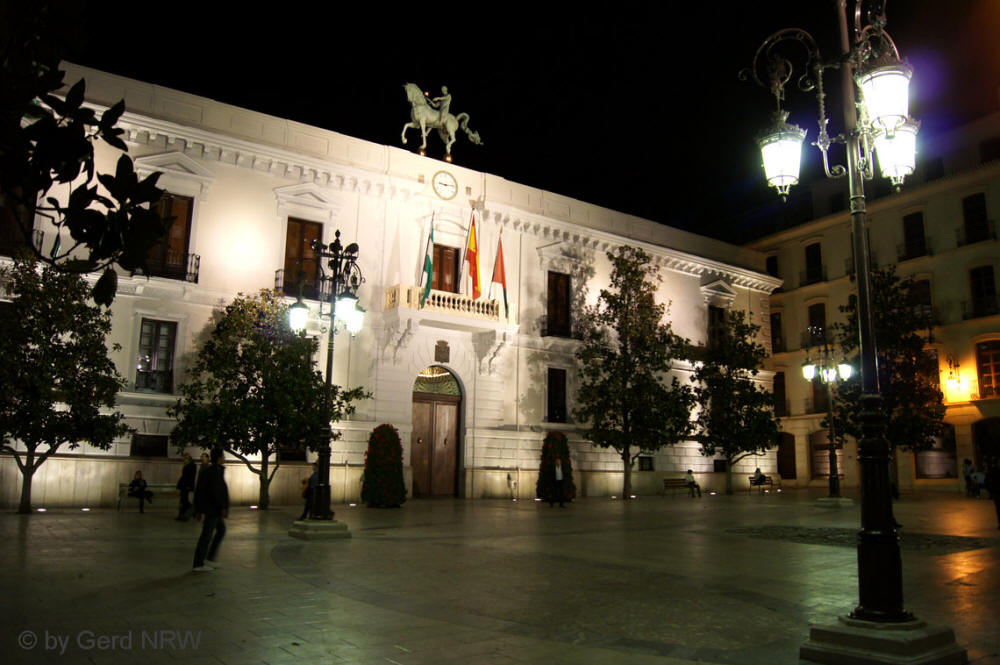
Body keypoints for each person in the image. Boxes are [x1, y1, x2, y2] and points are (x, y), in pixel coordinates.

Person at [192, 448, 229, 572]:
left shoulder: (212, 470)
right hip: (213, 509)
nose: (224, 458)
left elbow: (200, 490)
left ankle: (209, 558)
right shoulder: (214, 472)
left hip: (212, 509)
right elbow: (216, 491)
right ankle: (198, 563)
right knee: (206, 535)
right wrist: (222, 507)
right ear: (219, 458)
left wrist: (198, 509)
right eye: (223, 456)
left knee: (220, 530)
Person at [175, 454, 197, 521]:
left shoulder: (192, 465)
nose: (184, 460)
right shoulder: (186, 465)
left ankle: (190, 512)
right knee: (183, 501)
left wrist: (189, 486)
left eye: (185, 458)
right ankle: (181, 515)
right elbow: (184, 476)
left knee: (184, 501)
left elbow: (191, 477)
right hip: (184, 485)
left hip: (186, 486)